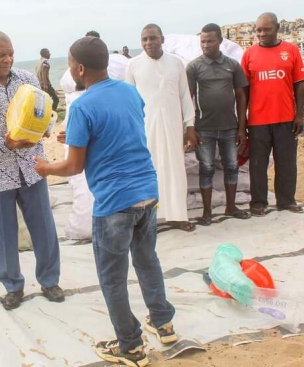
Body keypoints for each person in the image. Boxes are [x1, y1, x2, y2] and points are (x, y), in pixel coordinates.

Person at [34, 36, 177, 367]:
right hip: (147, 191)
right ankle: (163, 323)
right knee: (147, 261)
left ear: (80, 68)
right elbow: (119, 130)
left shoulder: (82, 105)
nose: (69, 69)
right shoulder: (129, 92)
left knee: (113, 278)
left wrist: (45, 168)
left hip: (115, 202)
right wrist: (77, 136)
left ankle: (131, 346)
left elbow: (74, 166)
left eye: (69, 64)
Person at [0, 31, 64, 310]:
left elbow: (44, 115)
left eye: (10, 54)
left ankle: (49, 280)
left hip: (32, 168)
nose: (7, 59)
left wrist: (44, 130)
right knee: (5, 236)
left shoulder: (27, 81)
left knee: (44, 228)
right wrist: (5, 143)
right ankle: (13, 287)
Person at [125, 23, 197, 232]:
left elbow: (186, 97)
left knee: (175, 170)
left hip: (174, 127)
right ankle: (150, 219)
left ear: (162, 39)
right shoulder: (134, 65)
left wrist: (189, 127)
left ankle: (177, 216)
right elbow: (128, 101)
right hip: (145, 128)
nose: (149, 43)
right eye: (144, 39)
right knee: (149, 171)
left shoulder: (175, 63)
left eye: (153, 38)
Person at [240, 13, 304, 216]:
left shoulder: (291, 51)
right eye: (258, 30)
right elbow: (243, 91)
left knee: (287, 162)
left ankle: (286, 201)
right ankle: (258, 202)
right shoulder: (249, 54)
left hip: (286, 118)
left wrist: (300, 115)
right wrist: (242, 121)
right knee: (258, 165)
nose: (261, 34)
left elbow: (300, 84)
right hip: (258, 120)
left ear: (277, 28)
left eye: (266, 29)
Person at [186, 23, 251, 225]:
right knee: (206, 168)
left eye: (210, 41)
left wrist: (242, 127)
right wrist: (191, 129)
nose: (206, 45)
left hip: (230, 128)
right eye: (202, 41)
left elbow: (241, 97)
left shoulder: (232, 65)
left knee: (231, 166)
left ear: (220, 41)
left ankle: (231, 207)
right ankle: (207, 212)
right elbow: (188, 98)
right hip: (204, 129)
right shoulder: (194, 67)